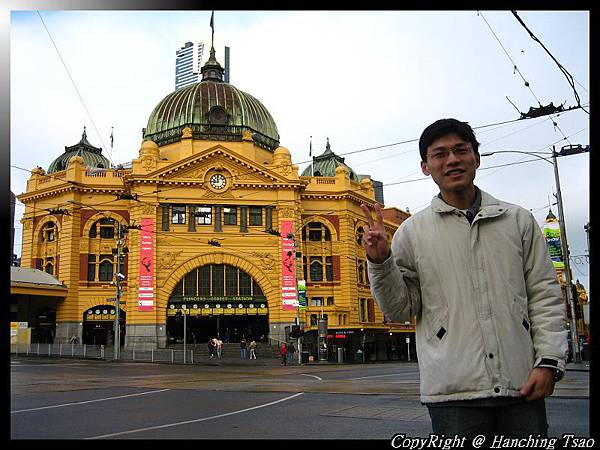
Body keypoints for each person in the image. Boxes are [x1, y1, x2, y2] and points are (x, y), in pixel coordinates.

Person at [361, 118, 567, 439]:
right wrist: (380, 260)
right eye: (440, 154)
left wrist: (549, 362)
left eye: (460, 150)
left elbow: (544, 296)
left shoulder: (518, 221)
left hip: (521, 383)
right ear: (426, 166)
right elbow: (401, 309)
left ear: (476, 158)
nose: (452, 159)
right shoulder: (411, 233)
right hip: (453, 392)